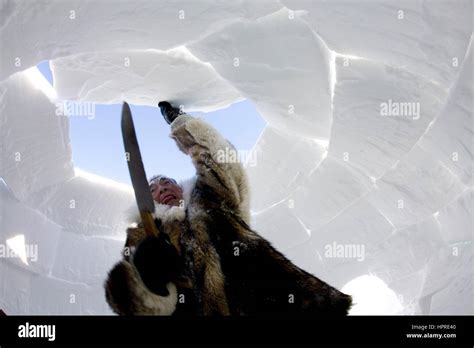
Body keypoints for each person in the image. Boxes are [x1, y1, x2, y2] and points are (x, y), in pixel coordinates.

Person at [104, 101, 352, 316]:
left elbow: (221, 160)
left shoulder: (210, 197)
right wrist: (150, 273)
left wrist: (182, 124)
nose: (162, 188)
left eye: (166, 181)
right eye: (154, 189)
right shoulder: (144, 235)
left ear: (180, 188)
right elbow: (135, 304)